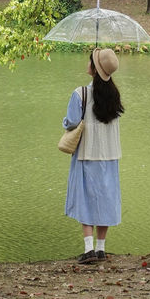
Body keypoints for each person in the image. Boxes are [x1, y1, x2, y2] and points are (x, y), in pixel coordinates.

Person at [62, 48, 124, 264]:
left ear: (94, 69)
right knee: (105, 199)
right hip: (110, 155)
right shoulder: (114, 96)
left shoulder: (81, 94)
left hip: (87, 154)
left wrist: (65, 123)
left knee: (85, 198)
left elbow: (71, 122)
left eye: (90, 61)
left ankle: (88, 249)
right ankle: (101, 249)